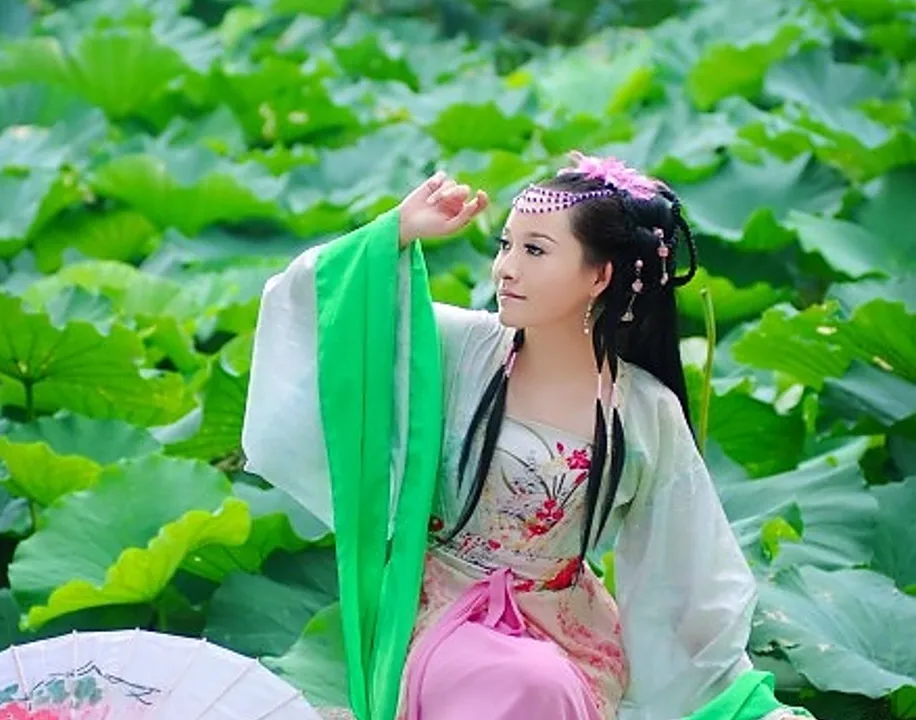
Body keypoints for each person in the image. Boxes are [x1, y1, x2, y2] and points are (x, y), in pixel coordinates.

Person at [242, 152, 813, 720]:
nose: (506, 269)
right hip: (441, 613)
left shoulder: (643, 409)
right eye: (505, 245)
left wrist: (740, 697)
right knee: (524, 682)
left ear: (599, 277)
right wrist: (394, 233)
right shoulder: (456, 346)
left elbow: (687, 564)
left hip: (565, 631)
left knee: (543, 681)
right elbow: (317, 310)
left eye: (534, 250)